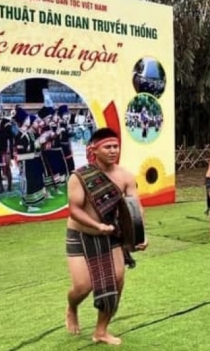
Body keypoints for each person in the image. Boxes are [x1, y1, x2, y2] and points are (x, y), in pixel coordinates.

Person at [64, 128, 148, 345]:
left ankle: (101, 330)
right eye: (108, 147)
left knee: (118, 279)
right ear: (94, 149)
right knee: (83, 286)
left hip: (110, 234)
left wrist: (139, 236)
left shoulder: (126, 176)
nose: (113, 151)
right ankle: (72, 306)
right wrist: (97, 226)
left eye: (116, 146)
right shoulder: (79, 177)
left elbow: (135, 209)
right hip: (81, 234)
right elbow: (75, 210)